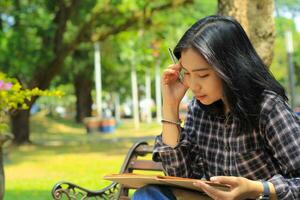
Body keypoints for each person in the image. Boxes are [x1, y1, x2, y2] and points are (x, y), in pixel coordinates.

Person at [133, 15, 300, 200]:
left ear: (232, 69)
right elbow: (182, 176)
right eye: (187, 73)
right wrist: (170, 106)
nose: (193, 85)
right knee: (148, 194)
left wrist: (255, 188)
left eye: (203, 75)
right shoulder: (199, 109)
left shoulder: (268, 108)